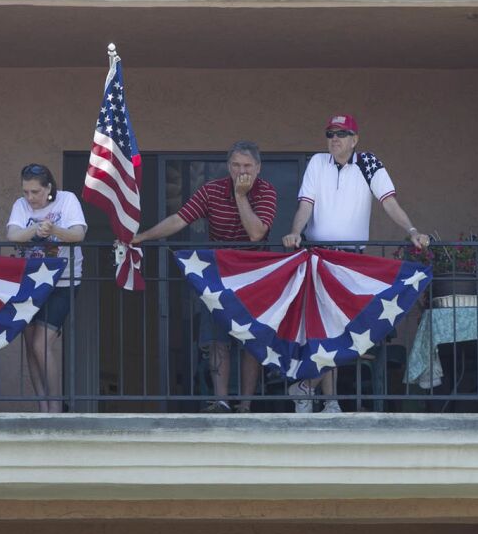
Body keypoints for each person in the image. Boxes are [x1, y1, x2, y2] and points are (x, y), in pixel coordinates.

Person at [282, 113, 431, 414]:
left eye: (341, 133)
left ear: (354, 139)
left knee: (345, 329)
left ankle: (308, 388)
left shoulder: (369, 163)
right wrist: (295, 232)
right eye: (330, 133)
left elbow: (389, 202)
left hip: (351, 260)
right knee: (323, 330)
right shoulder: (316, 163)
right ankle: (329, 400)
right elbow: (305, 205)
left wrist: (412, 230)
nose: (334, 138)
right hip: (320, 257)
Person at [133, 141, 277, 413]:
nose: (241, 171)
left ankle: (246, 405)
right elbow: (179, 219)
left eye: (247, 165)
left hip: (254, 279)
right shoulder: (211, 190)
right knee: (215, 338)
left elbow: (256, 233)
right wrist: (142, 236)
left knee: (252, 343)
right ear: (228, 166)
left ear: (258, 168)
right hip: (218, 276)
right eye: (235, 165)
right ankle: (221, 401)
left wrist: (240, 196)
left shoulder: (266, 191)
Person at [6, 164, 87, 413]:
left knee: (42, 344)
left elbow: (78, 234)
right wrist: (35, 229)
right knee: (30, 344)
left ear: (49, 188)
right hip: (30, 283)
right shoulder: (21, 205)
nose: (30, 198)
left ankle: (55, 406)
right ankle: (43, 405)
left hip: (63, 280)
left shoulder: (67, 200)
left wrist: (54, 230)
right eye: (26, 192)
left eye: (35, 192)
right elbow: (12, 235)